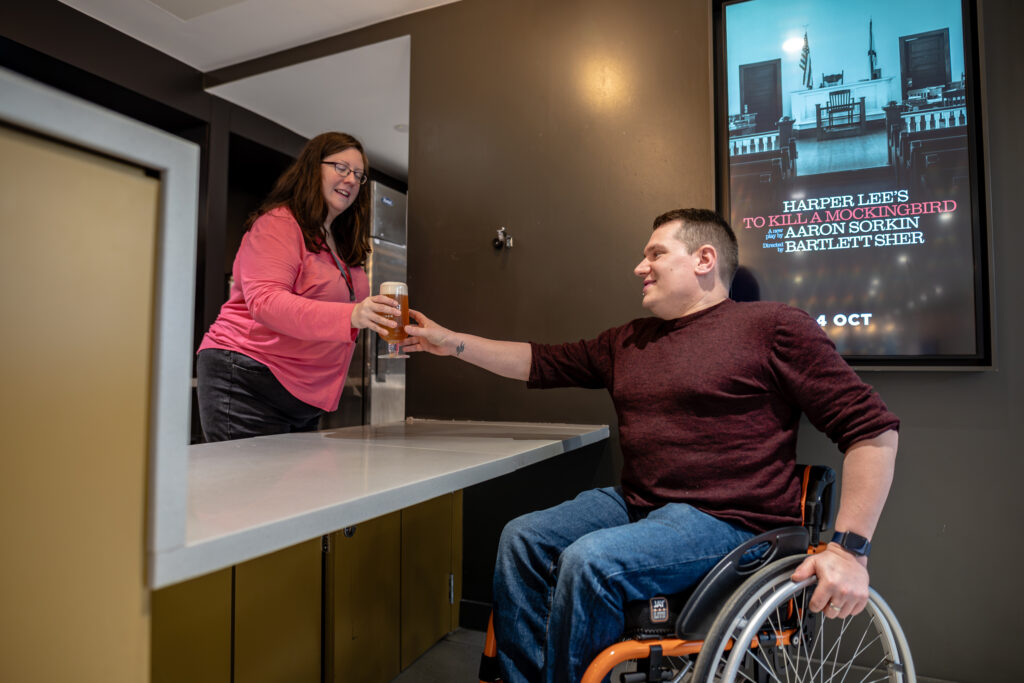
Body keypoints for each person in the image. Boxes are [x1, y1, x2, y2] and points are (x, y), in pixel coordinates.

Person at [402, 208, 899, 683]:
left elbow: (871, 430)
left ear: (704, 259)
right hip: (641, 505)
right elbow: (539, 361)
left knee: (591, 561)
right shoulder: (629, 341)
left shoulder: (773, 327)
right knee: (522, 538)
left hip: (730, 523)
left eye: (655, 254)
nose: (640, 267)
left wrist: (850, 551)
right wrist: (451, 343)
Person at [196, 132, 403, 442]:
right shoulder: (279, 224)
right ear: (312, 168)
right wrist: (353, 314)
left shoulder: (339, 242)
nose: (351, 179)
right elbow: (266, 302)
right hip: (250, 378)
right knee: (254, 476)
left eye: (358, 175)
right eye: (341, 167)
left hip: (303, 395)